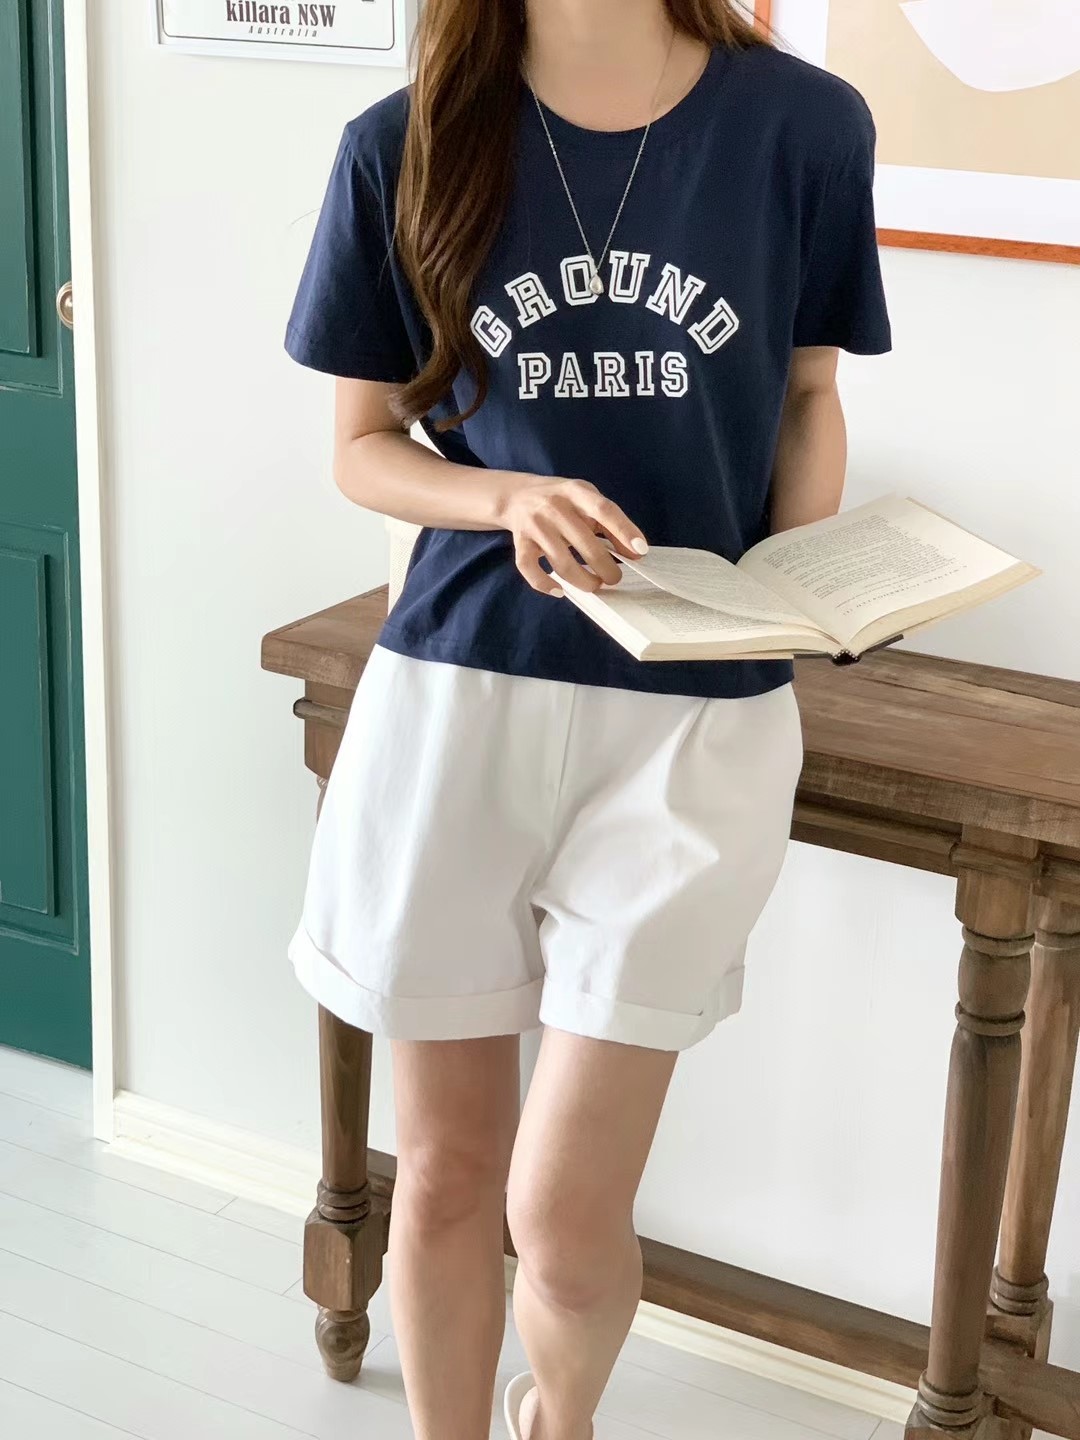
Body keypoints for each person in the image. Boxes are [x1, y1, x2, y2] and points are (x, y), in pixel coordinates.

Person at [283, 1, 891, 1436]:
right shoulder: (403, 145)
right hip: (462, 695)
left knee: (562, 1212)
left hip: (696, 719)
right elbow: (362, 448)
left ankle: (558, 1419)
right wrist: (506, 494)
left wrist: (803, 581)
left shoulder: (802, 128)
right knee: (444, 1175)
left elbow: (809, 395)